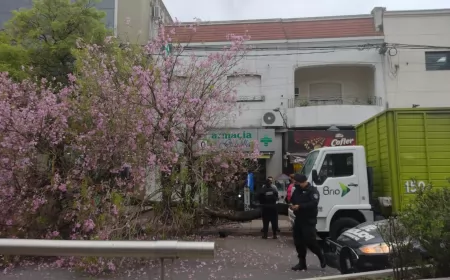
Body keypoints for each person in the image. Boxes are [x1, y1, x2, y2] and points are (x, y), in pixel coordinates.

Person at [290, 174, 326, 271]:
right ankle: (302, 263)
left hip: (309, 219)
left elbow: (313, 203)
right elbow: (292, 200)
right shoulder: (297, 190)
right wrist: (292, 205)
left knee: (310, 241)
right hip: (298, 219)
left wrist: (300, 206)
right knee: (298, 242)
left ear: (303, 181)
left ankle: (321, 256)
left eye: (297, 182)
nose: (295, 184)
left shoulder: (312, 191)